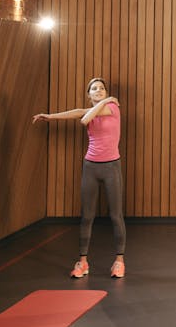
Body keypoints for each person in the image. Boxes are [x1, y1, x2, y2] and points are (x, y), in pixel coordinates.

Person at [32, 77, 126, 278]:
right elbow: (80, 113)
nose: (98, 90)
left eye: (102, 88)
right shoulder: (104, 104)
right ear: (88, 94)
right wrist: (50, 116)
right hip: (90, 167)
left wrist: (105, 101)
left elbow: (84, 117)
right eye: (94, 89)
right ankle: (82, 262)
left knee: (115, 215)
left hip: (111, 167)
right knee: (87, 216)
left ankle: (119, 261)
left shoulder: (113, 108)